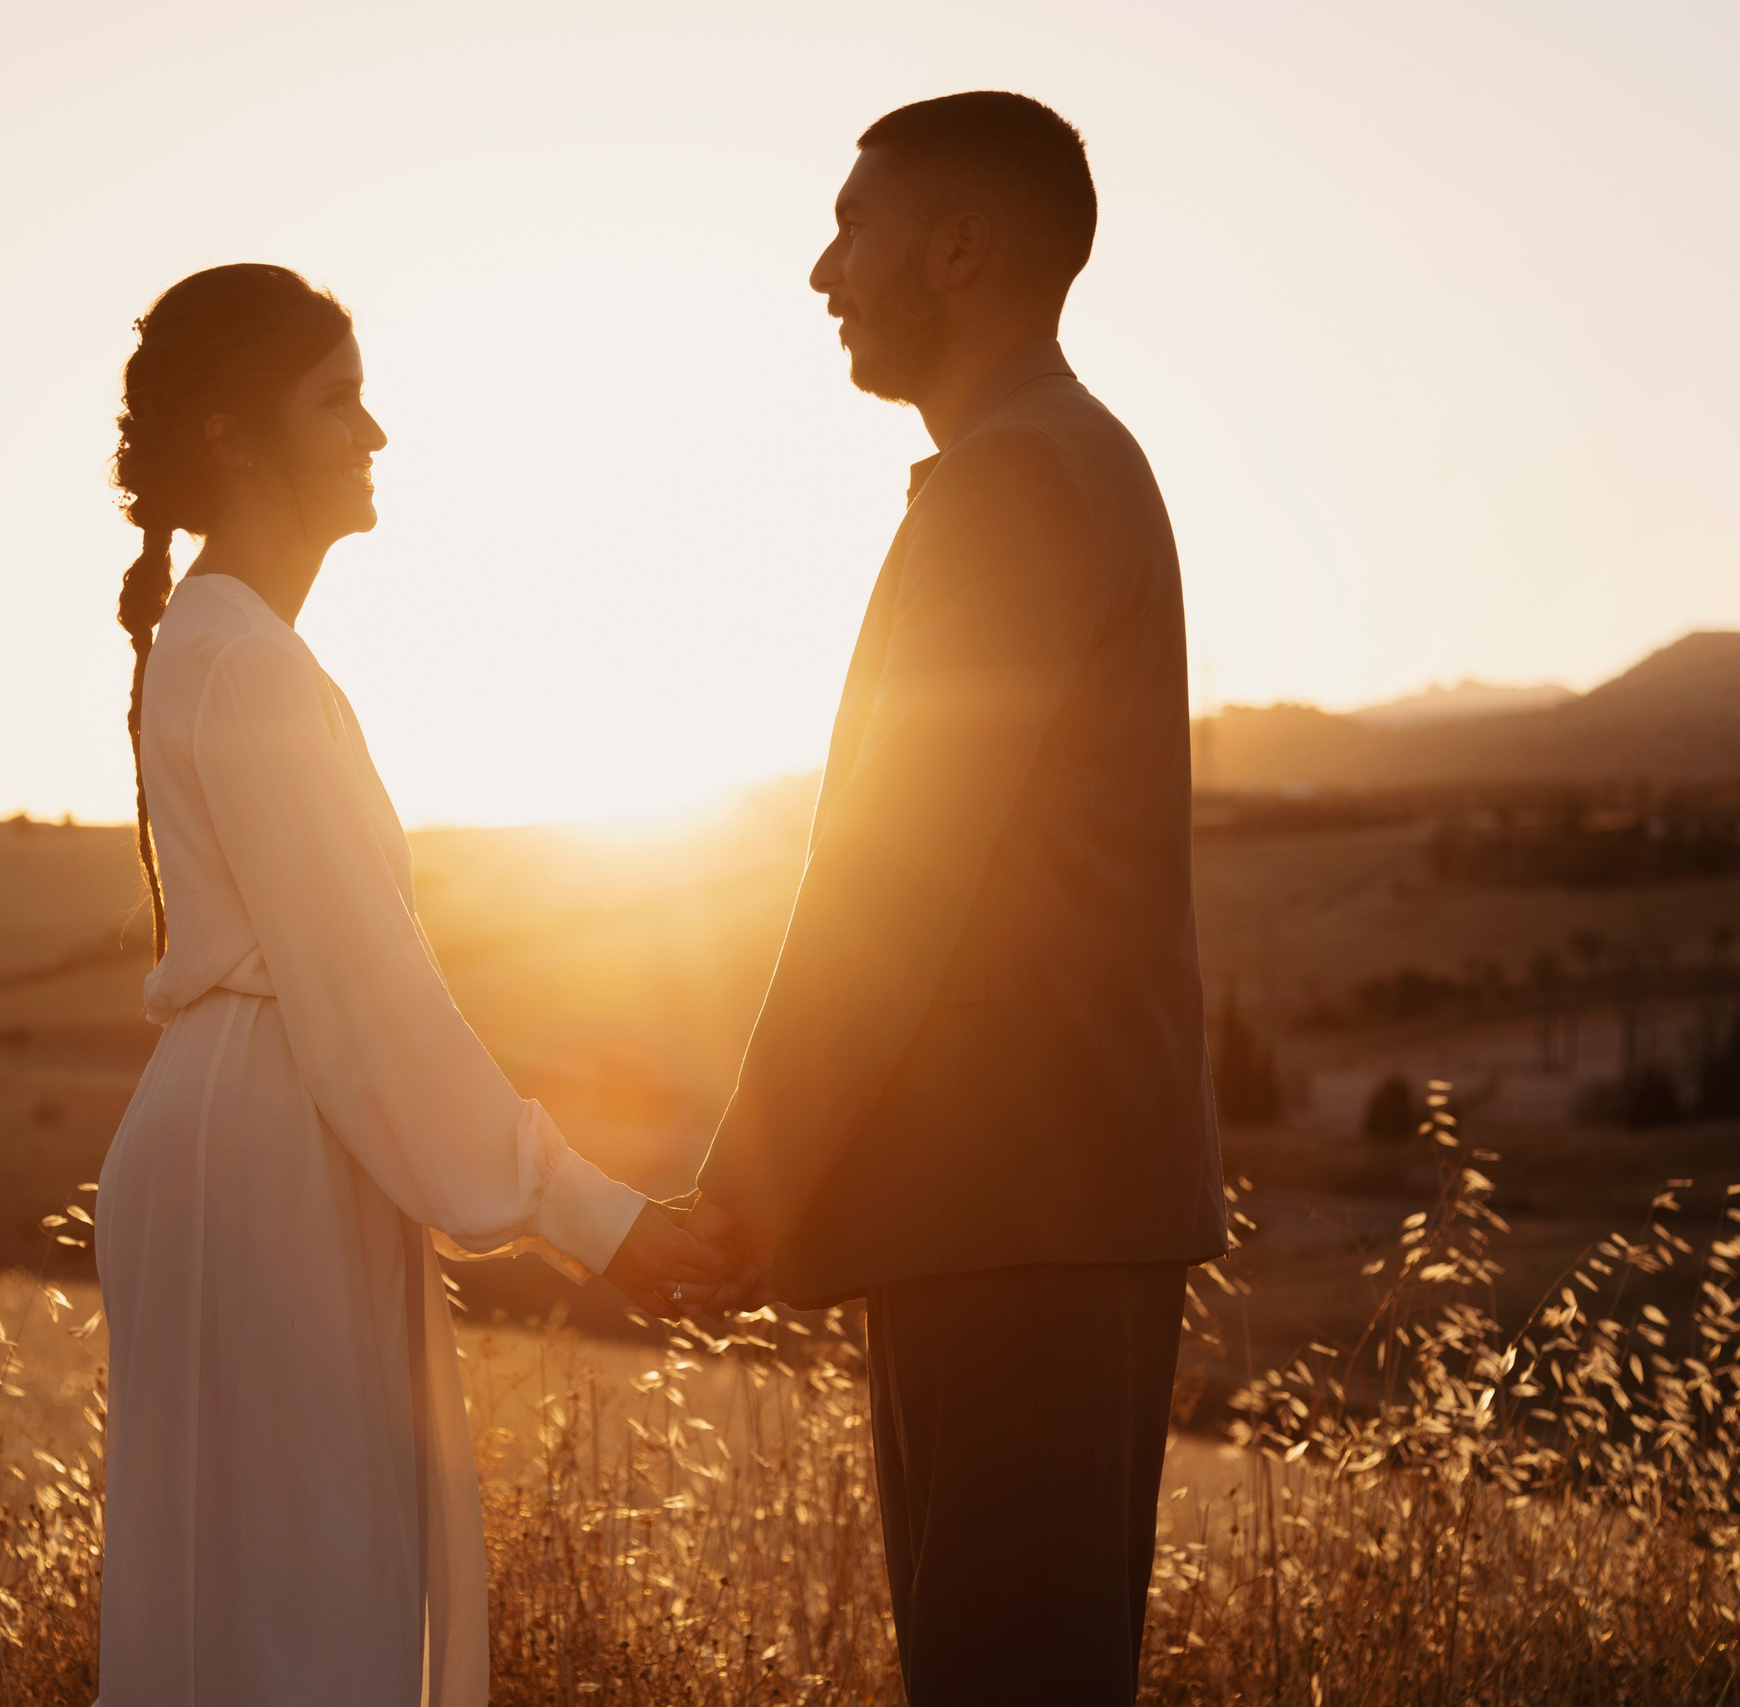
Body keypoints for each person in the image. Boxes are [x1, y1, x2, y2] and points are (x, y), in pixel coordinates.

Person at [89, 264, 725, 1707]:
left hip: (241, 1139)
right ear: (235, 437)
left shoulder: (227, 646)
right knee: (302, 1609)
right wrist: (590, 1212)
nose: (374, 436)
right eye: (340, 403)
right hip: (271, 1153)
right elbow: (370, 1002)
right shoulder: (245, 662)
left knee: (252, 1605)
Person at [686, 94, 1229, 1703]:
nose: (820, 269)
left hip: (1021, 1216)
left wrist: (747, 1184)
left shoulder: (1017, 483)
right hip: (1015, 1212)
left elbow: (890, 875)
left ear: (964, 246)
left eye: (853, 224)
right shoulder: (1054, 466)